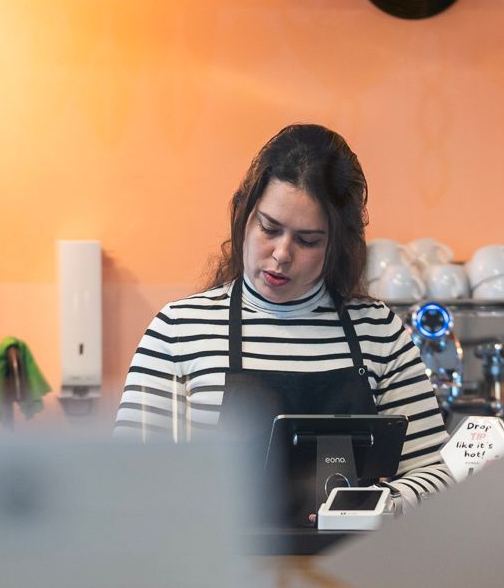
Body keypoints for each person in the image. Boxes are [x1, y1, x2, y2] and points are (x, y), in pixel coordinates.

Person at [113, 124, 452, 507]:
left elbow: (437, 472)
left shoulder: (379, 332)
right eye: (269, 228)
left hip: (355, 548)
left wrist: (369, 506)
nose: (282, 254)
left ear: (339, 244)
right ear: (243, 214)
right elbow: (128, 477)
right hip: (218, 546)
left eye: (308, 240)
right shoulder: (178, 331)